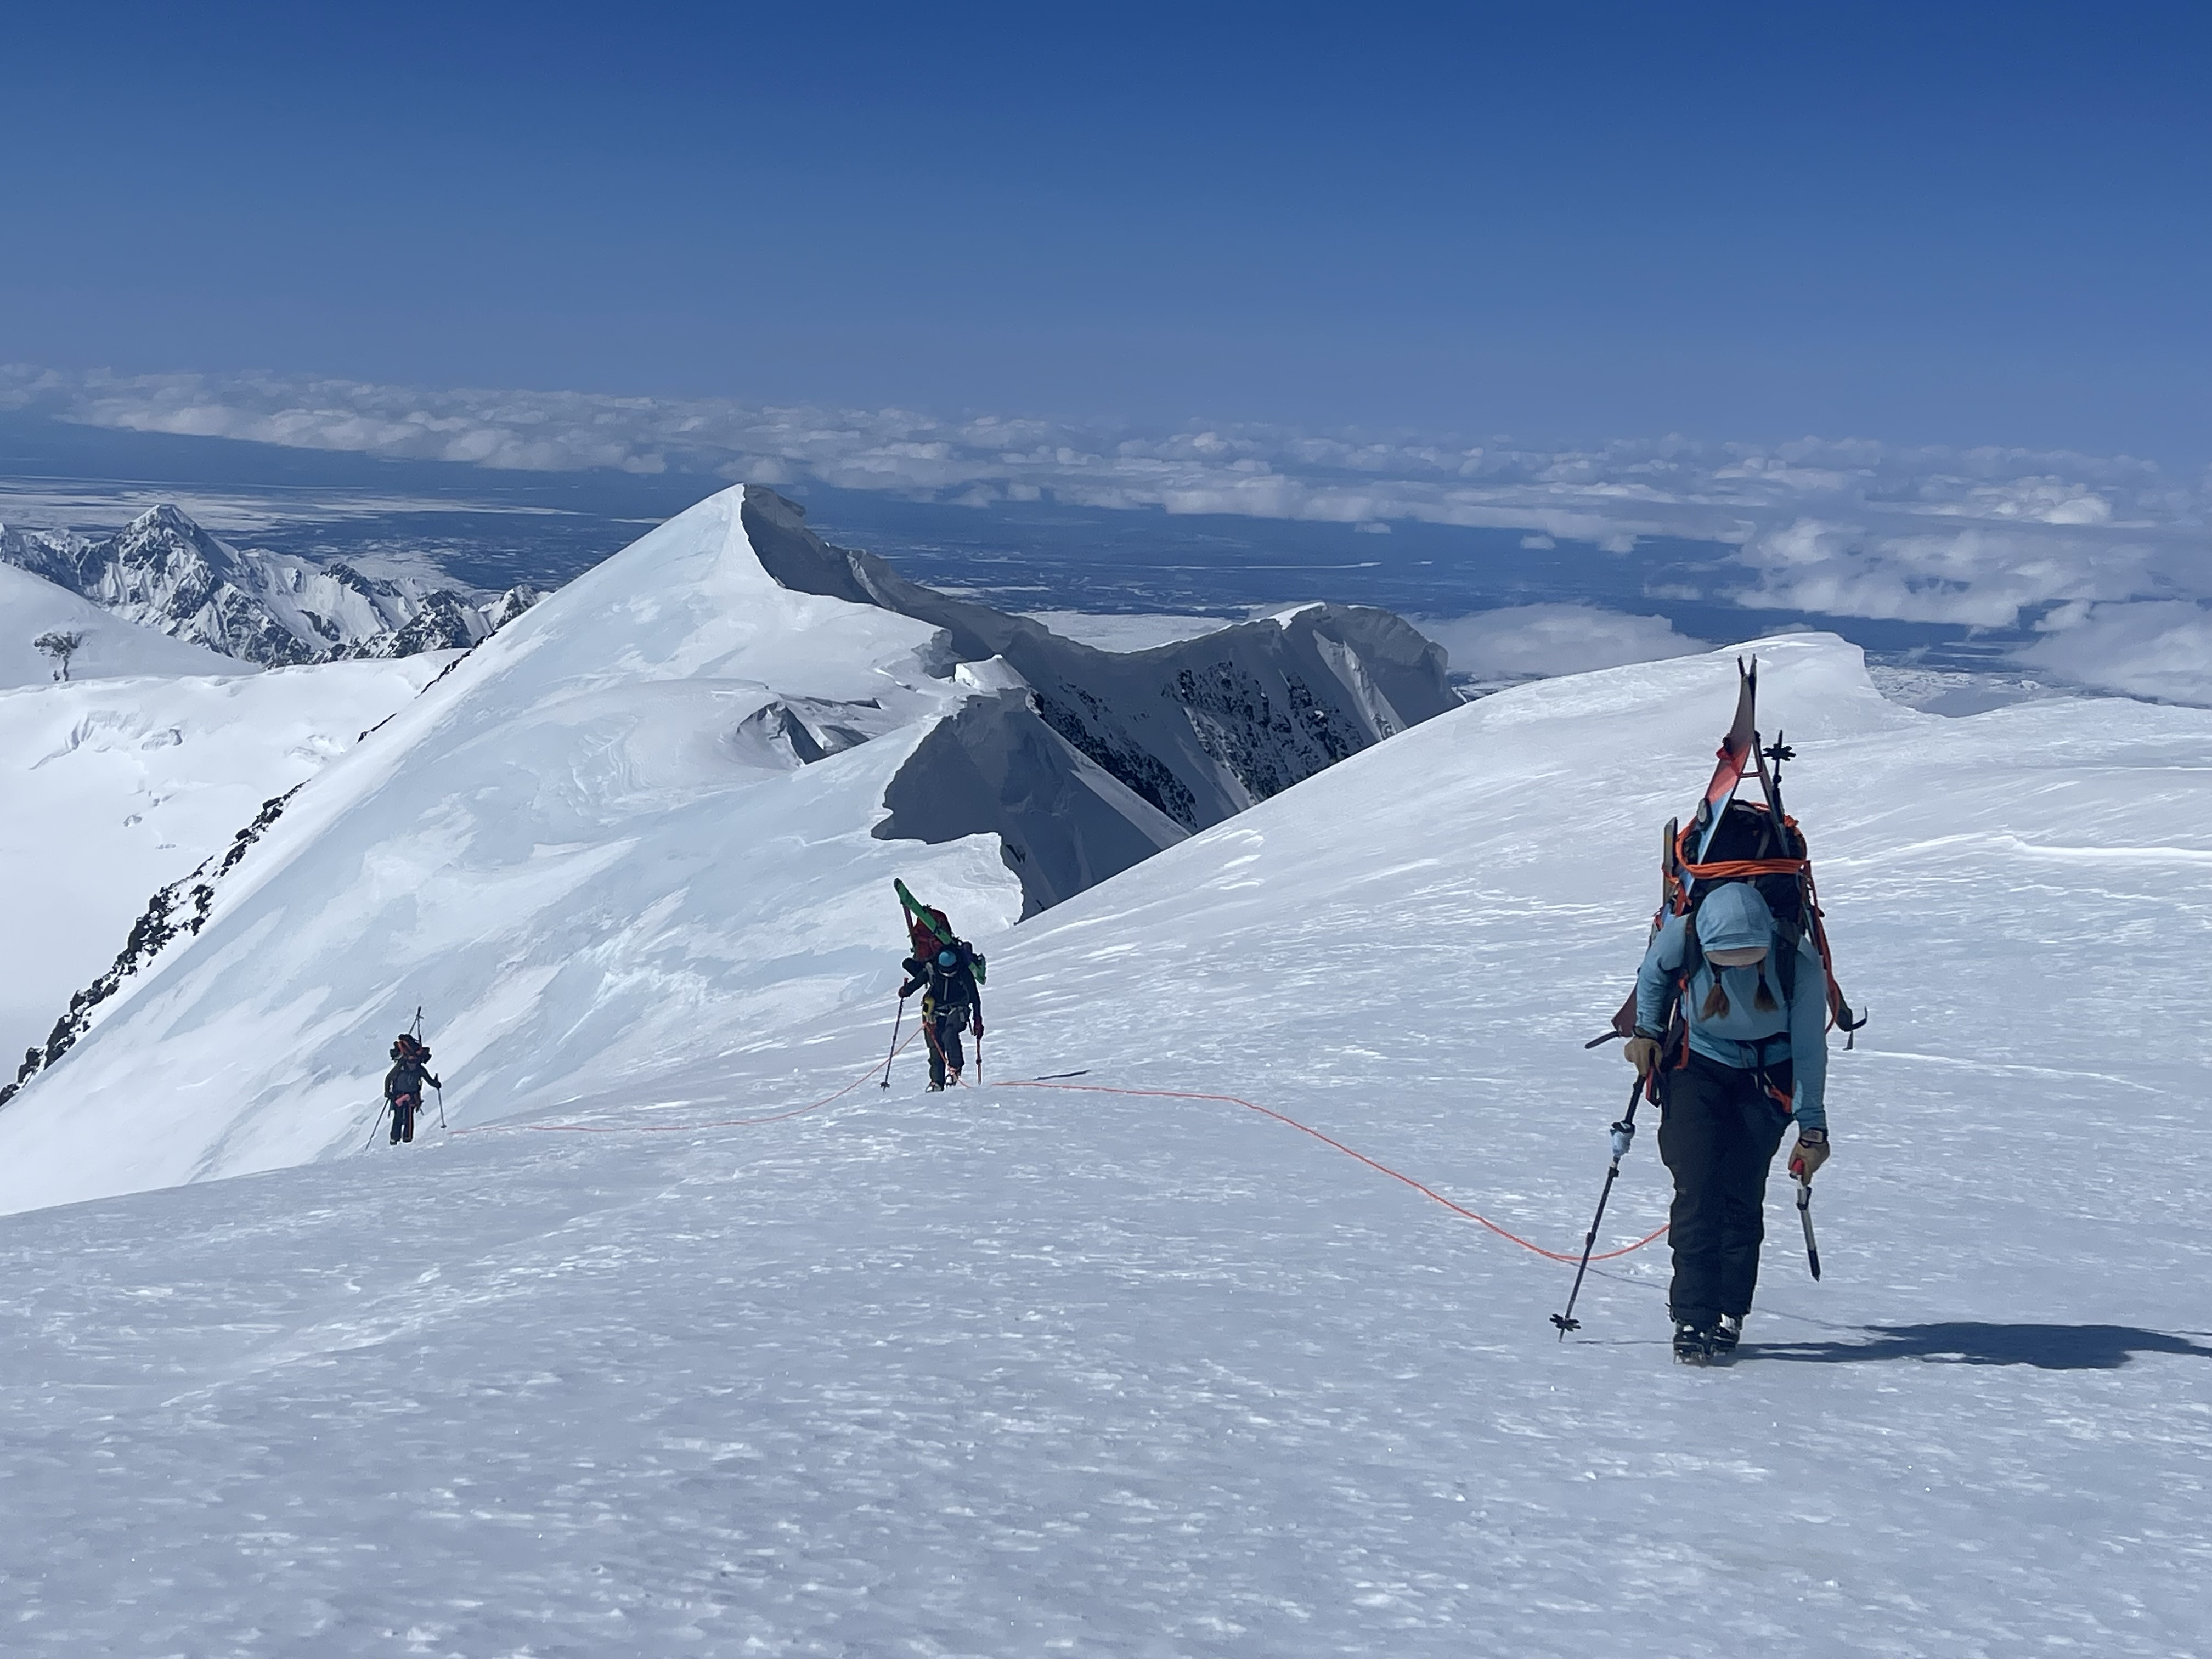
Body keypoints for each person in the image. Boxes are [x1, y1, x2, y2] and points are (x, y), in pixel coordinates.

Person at [1624, 880, 1830, 1363]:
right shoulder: (1686, 933)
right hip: (1698, 1064)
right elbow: (1653, 974)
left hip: (1768, 1075)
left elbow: (1809, 1048)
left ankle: (1730, 1309)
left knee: (1742, 1192)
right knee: (1697, 1188)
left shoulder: (1797, 960)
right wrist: (1648, 1031)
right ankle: (1693, 1313)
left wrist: (1813, 1127)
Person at [900, 938, 984, 1091]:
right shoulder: (931, 968)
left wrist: (978, 1020)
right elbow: (919, 981)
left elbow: (975, 997)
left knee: (950, 1034)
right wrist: (907, 991)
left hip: (958, 1008)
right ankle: (937, 1081)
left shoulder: (964, 972)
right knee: (935, 1043)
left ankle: (955, 1069)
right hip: (935, 1010)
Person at [384, 1032, 442, 1144]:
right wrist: (436, 1084)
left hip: (398, 1095)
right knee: (408, 1118)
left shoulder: (401, 1066)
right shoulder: (419, 1068)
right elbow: (429, 1080)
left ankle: (395, 1139)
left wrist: (388, 1092)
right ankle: (407, 1138)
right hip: (412, 1096)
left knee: (398, 1117)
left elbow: (389, 1078)